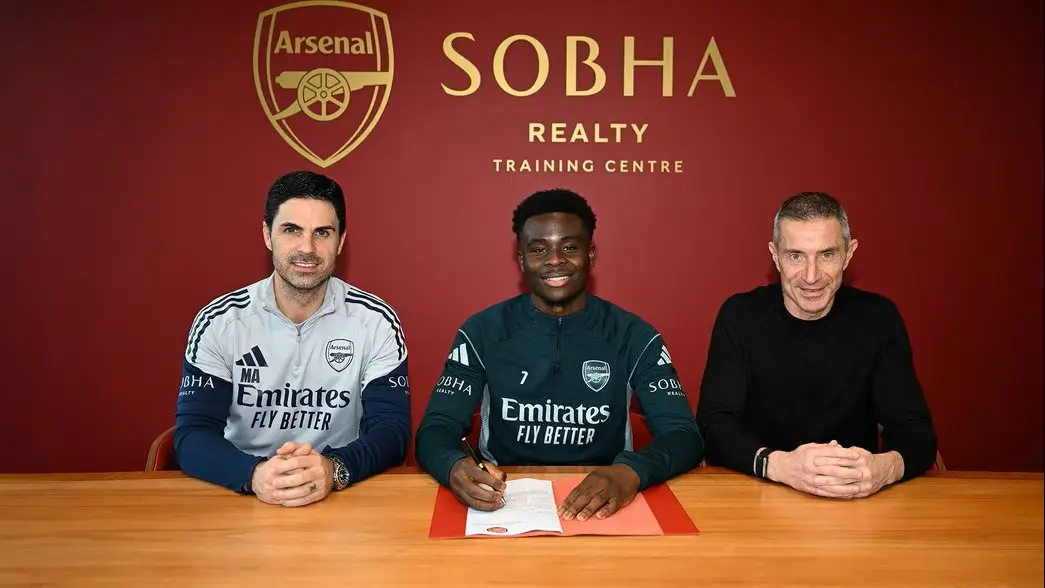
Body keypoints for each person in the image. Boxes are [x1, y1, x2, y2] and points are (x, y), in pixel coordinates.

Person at [415, 188, 704, 520]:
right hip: (504, 500)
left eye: (569, 247)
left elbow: (684, 435)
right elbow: (436, 428)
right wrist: (453, 465)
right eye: (539, 249)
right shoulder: (482, 331)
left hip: (605, 501)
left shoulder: (634, 335)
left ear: (590, 255)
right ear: (522, 260)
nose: (554, 260)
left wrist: (632, 471)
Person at [174, 170, 410, 507]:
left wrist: (334, 469)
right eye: (291, 230)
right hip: (241, 493)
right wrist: (255, 474)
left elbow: (392, 430)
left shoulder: (375, 321)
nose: (307, 248)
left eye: (322, 233)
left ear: (341, 241)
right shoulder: (220, 322)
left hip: (341, 496)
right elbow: (193, 434)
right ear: (267, 235)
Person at [695, 191, 937, 499]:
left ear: (848, 254)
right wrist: (781, 467)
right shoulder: (740, 316)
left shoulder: (879, 318)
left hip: (852, 498)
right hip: (759, 494)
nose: (811, 276)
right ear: (775, 256)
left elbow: (916, 431)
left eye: (827, 255)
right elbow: (714, 426)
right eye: (796, 256)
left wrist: (881, 469)